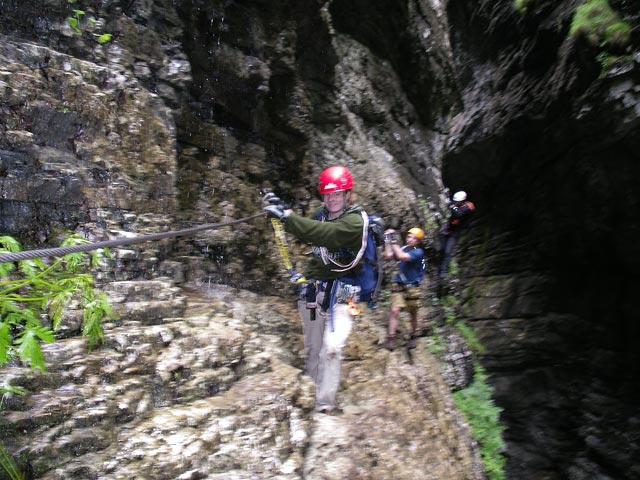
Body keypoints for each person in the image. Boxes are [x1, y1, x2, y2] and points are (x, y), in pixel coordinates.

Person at [262, 165, 369, 414]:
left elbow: (324, 235)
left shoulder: (355, 221)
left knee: (332, 348)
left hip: (345, 293)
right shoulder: (321, 213)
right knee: (313, 348)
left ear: (348, 195)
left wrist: (287, 218)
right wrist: (281, 211)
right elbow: (306, 227)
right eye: (328, 195)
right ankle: (310, 392)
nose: (332, 200)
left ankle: (324, 403)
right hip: (315, 289)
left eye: (337, 194)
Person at [383, 227, 425, 351]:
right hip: (399, 284)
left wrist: (393, 240)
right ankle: (391, 338)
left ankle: (413, 335)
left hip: (413, 287)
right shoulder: (403, 248)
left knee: (413, 314)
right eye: (409, 237)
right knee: (394, 310)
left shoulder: (419, 252)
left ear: (417, 242)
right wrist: (387, 239)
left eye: (413, 238)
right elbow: (388, 255)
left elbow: (401, 257)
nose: (410, 239)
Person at [438, 190, 475, 279]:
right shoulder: (456, 204)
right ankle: (440, 262)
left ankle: (443, 271)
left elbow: (458, 214)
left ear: (462, 201)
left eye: (457, 201)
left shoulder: (468, 207)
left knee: (448, 251)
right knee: (442, 249)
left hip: (456, 231)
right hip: (449, 227)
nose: (455, 203)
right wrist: (449, 201)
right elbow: (451, 205)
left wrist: (452, 206)